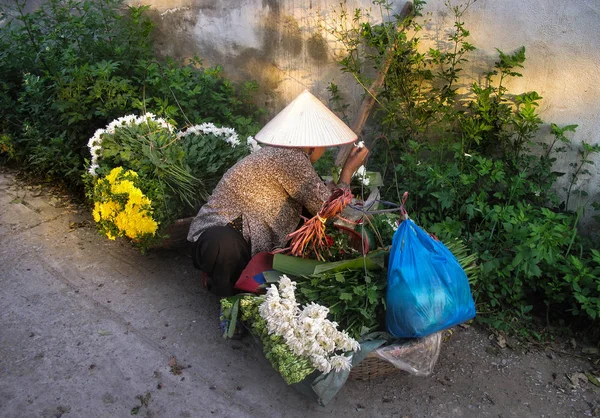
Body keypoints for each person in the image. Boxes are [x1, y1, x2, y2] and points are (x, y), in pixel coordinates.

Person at [187, 90, 369, 296]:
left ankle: (235, 280)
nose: (323, 150)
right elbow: (328, 209)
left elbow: (314, 199)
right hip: (216, 241)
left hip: (231, 239)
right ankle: (228, 293)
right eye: (324, 146)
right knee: (225, 244)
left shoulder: (282, 154)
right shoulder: (291, 159)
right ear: (312, 144)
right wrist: (347, 172)